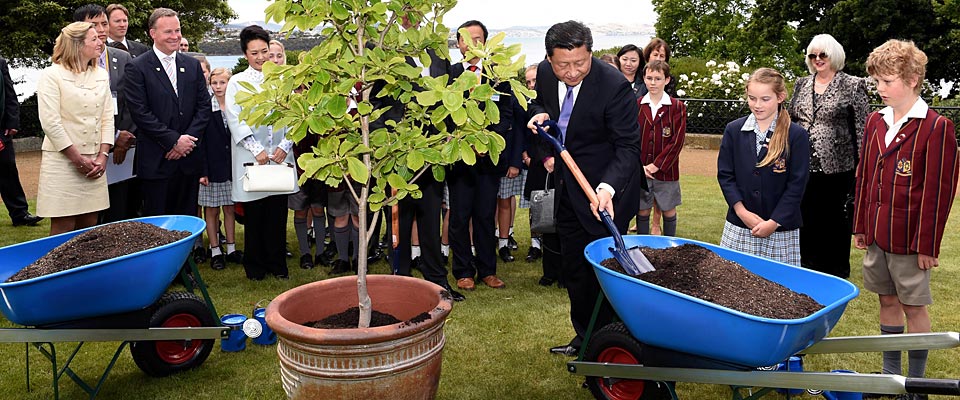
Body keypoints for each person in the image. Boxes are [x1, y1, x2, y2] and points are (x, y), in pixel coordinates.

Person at [527, 21, 643, 356]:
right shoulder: (548, 75)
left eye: (581, 63)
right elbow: (537, 105)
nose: (573, 71)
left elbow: (628, 148)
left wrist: (607, 188)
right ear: (550, 59)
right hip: (567, 187)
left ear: (590, 53)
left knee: (606, 275)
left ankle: (611, 346)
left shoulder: (614, 86)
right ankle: (585, 338)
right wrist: (538, 115)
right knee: (575, 270)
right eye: (564, 64)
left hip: (606, 193)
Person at [854, 39, 958, 388]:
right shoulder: (874, 122)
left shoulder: (936, 127)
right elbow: (865, 177)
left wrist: (927, 245)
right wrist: (861, 226)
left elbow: (938, 194)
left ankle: (916, 383)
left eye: (887, 81)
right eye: (877, 82)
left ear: (912, 79)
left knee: (914, 307)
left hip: (911, 239)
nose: (880, 88)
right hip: (878, 235)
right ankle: (890, 375)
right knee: (886, 299)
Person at [787, 34, 870, 279]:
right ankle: (806, 267)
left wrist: (861, 165)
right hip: (802, 164)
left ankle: (835, 271)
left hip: (838, 167)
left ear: (834, 55)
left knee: (834, 221)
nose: (817, 59)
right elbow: (792, 119)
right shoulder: (802, 83)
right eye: (812, 55)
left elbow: (862, 128)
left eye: (822, 54)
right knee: (806, 217)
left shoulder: (853, 85)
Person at [225, 25, 299, 280]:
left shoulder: (282, 79)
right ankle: (255, 267)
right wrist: (257, 149)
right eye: (254, 52)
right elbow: (235, 119)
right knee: (255, 215)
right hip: (250, 157)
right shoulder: (237, 82)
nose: (260, 57)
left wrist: (284, 146)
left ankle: (278, 265)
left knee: (277, 214)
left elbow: (293, 116)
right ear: (245, 54)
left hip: (280, 156)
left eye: (264, 51)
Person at [717, 67, 809, 265]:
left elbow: (797, 185)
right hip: (740, 225)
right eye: (752, 98)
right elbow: (725, 175)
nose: (757, 105)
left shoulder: (796, 135)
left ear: (780, 97)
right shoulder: (734, 130)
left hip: (780, 229)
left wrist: (774, 222)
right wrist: (742, 212)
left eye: (765, 99)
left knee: (779, 289)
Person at [448, 20, 514, 291]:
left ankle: (488, 269)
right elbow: (443, 114)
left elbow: (507, 114)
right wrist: (464, 140)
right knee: (460, 216)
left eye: (479, 38)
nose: (474, 43)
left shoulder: (498, 76)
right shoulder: (449, 74)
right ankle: (464, 271)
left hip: (488, 160)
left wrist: (485, 141)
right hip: (460, 159)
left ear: (486, 42)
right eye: (468, 38)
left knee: (485, 216)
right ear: (460, 43)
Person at [125, 8, 210, 219]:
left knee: (187, 223)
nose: (175, 36)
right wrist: (173, 141)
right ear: (153, 33)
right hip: (157, 162)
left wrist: (186, 143)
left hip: (188, 162)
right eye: (168, 32)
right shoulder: (137, 67)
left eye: (177, 31)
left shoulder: (192, 65)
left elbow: (204, 107)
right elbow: (140, 113)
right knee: (159, 226)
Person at [36, 21, 114, 235]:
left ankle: (87, 269)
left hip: (95, 163)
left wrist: (103, 156)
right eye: (94, 39)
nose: (101, 42)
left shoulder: (101, 75)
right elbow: (51, 123)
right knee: (63, 230)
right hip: (63, 163)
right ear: (77, 45)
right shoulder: (51, 76)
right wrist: (77, 159)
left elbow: (107, 117)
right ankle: (56, 270)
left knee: (89, 230)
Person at [74, 4, 138, 224]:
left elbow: (133, 102)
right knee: (88, 216)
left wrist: (123, 137)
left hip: (123, 151)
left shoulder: (122, 57)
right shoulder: (72, 64)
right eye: (94, 25)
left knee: (120, 210)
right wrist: (112, 137)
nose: (101, 29)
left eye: (104, 23)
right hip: (87, 149)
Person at [635, 60, 685, 236]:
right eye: (649, 78)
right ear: (644, 79)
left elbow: (677, 141)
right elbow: (631, 138)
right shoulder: (637, 105)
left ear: (667, 80)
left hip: (667, 171)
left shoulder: (677, 107)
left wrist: (657, 165)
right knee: (642, 210)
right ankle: (641, 246)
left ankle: (670, 247)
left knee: (668, 209)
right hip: (641, 169)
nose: (653, 82)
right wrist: (639, 166)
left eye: (658, 78)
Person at [199, 67, 241, 271]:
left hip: (231, 166)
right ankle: (215, 249)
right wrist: (203, 171)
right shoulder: (206, 107)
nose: (218, 87)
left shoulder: (236, 106)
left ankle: (232, 248)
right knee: (212, 209)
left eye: (222, 83)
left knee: (230, 208)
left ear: (229, 83)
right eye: (214, 83)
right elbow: (201, 142)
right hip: (212, 168)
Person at [1, 57, 43, 227]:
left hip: (2, 132)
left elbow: (10, 96)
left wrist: (12, 124)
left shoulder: (1, 63)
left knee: (8, 172)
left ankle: (20, 214)